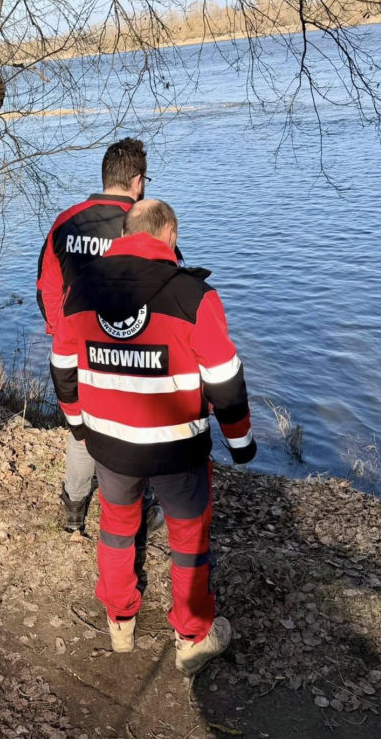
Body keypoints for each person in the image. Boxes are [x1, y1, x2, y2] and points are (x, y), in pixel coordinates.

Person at [49, 199, 257, 676]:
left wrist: (79, 424)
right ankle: (191, 635)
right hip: (178, 448)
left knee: (118, 529)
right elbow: (225, 381)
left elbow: (62, 368)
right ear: (169, 233)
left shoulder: (80, 292)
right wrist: (241, 443)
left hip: (110, 444)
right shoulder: (193, 295)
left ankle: (120, 622)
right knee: (188, 541)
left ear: (127, 233)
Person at [36, 138, 162, 536]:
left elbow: (47, 287)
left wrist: (62, 335)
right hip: (132, 347)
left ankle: (74, 508)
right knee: (134, 433)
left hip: (76, 348)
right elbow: (167, 291)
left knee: (82, 430)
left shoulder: (67, 221)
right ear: (137, 181)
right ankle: (136, 507)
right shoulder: (145, 225)